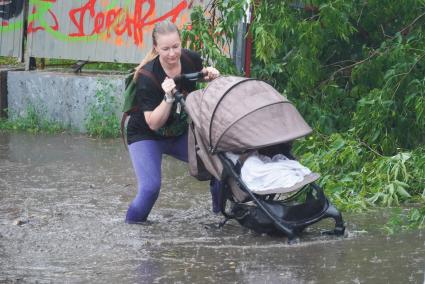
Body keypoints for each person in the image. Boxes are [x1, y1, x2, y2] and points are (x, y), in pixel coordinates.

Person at [125, 20, 220, 224]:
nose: (172, 54)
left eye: (176, 46)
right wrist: (168, 97)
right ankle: (131, 230)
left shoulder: (190, 58)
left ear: (181, 43)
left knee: (219, 164)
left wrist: (210, 76)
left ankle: (219, 217)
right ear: (155, 48)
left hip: (178, 134)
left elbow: (196, 78)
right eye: (165, 49)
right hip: (145, 135)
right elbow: (152, 123)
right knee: (150, 188)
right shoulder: (147, 76)